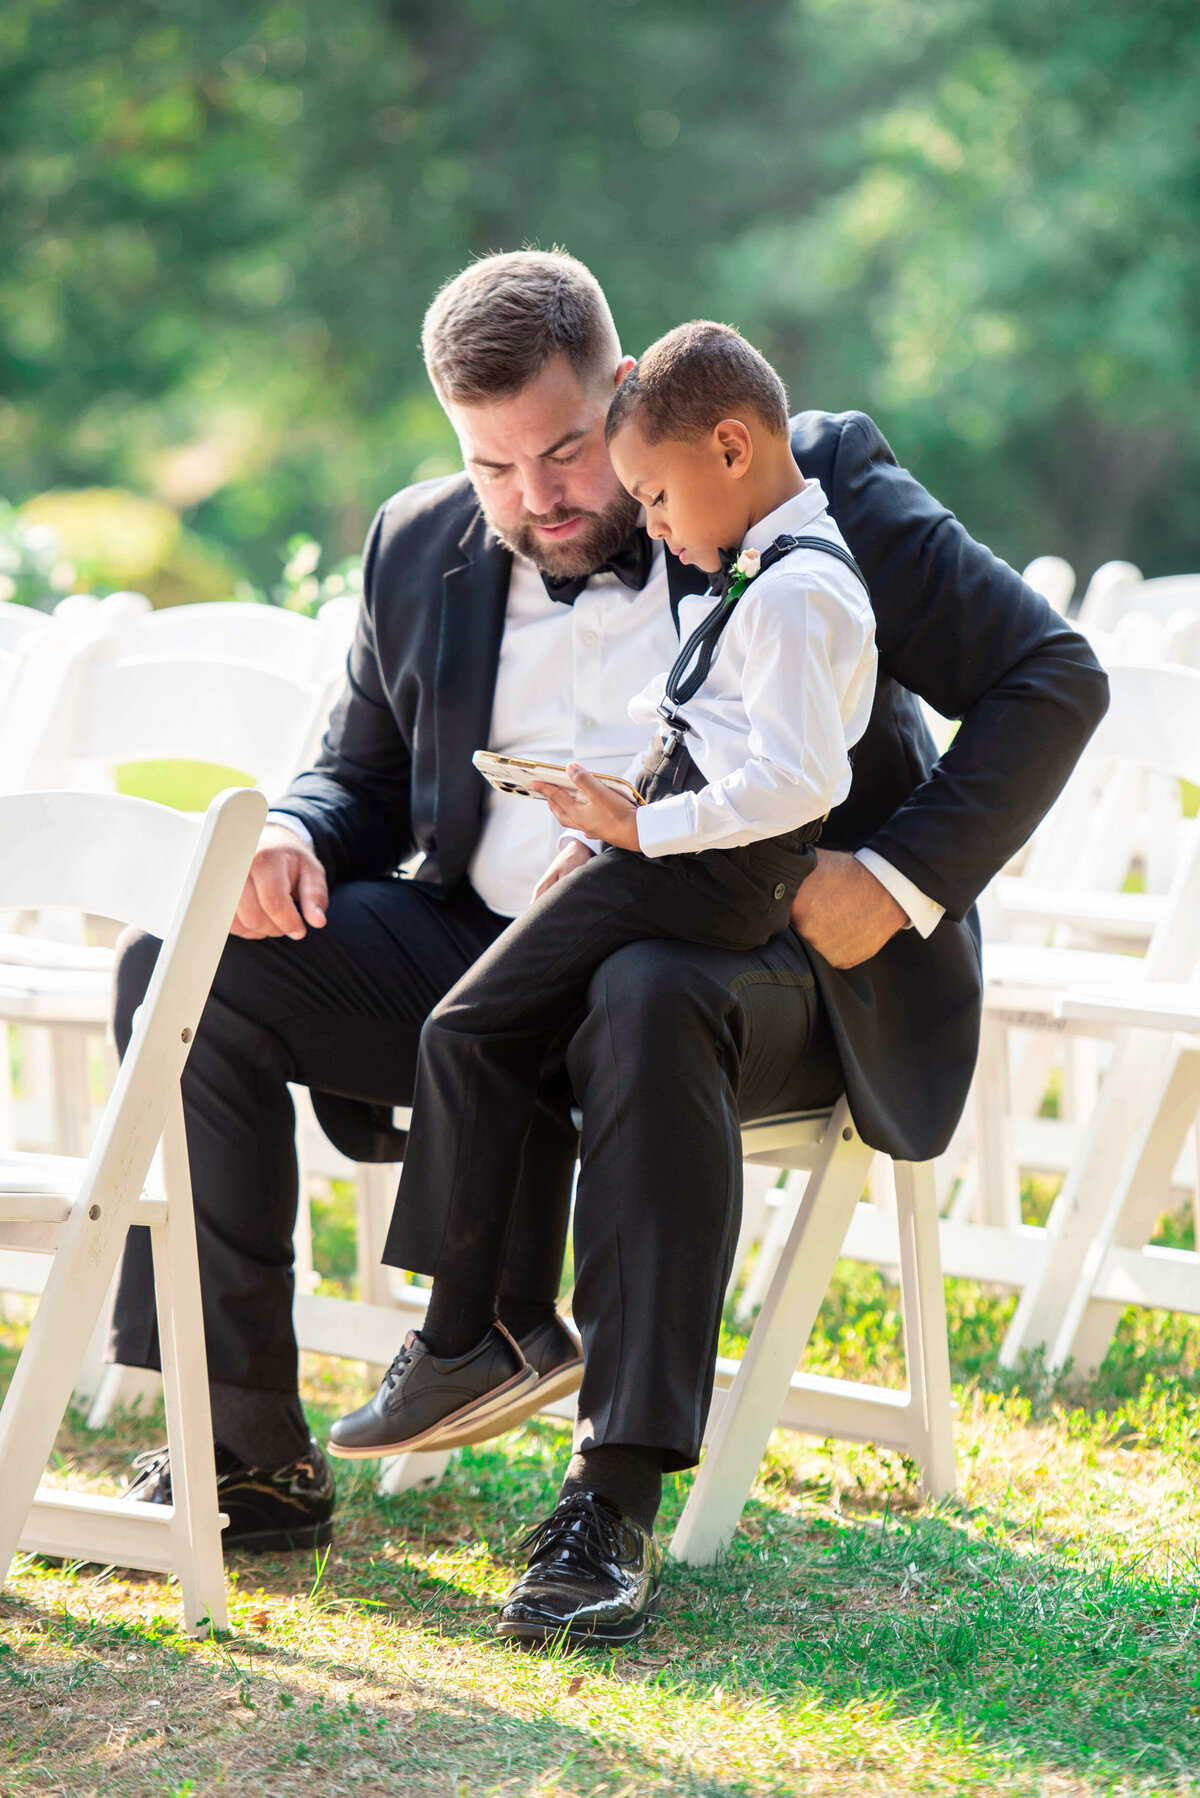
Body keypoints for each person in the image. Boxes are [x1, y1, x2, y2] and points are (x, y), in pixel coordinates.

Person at [108, 252, 1107, 1622]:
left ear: (626, 386)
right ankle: (248, 1451)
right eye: (492, 466)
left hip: (760, 960)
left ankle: (609, 1501)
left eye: (569, 450)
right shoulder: (416, 542)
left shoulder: (799, 483)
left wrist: (896, 873)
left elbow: (1050, 673)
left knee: (641, 990)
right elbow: (362, 776)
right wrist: (290, 830)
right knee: (180, 968)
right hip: (500, 943)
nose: (540, 497)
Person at [325, 320, 878, 1520]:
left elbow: (795, 784)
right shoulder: (751, 567)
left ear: (725, 450)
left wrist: (640, 835)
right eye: (490, 468)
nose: (657, 524)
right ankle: (480, 1330)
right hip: (666, 851)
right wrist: (601, 819)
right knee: (474, 1023)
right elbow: (698, 721)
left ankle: (482, 1339)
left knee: (470, 1031)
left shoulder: (798, 584)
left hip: (726, 887)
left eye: (654, 495)